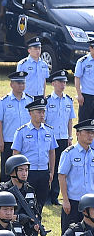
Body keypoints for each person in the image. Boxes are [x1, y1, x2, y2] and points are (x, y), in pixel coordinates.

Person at [11, 97, 58, 216]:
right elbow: (16, 153)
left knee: (40, 203)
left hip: (43, 171)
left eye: (43, 112)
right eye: (39, 112)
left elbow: (52, 152)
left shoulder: (49, 130)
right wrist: (17, 173)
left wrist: (51, 171)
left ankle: (36, 228)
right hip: (28, 173)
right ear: (30, 113)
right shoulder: (22, 131)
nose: (42, 115)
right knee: (24, 202)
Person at [0, 153, 45, 236]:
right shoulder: (2, 190)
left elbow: (35, 211)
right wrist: (18, 218)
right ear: (12, 171)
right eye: (21, 170)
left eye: (26, 170)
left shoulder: (30, 190)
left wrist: (35, 224)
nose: (24, 173)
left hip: (25, 234)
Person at [0, 71, 32, 174]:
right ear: (11, 84)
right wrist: (0, 140)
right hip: (9, 141)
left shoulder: (30, 101)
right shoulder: (4, 101)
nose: (21, 85)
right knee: (8, 170)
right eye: (18, 83)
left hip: (26, 141)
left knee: (24, 169)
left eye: (23, 83)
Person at [45, 71, 75, 204]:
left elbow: (69, 120)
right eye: (60, 82)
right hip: (50, 138)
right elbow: (43, 121)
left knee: (60, 167)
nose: (63, 85)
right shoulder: (47, 101)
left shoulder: (68, 100)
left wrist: (70, 136)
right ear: (53, 84)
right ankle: (45, 194)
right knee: (48, 166)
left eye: (64, 82)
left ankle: (55, 195)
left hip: (63, 138)